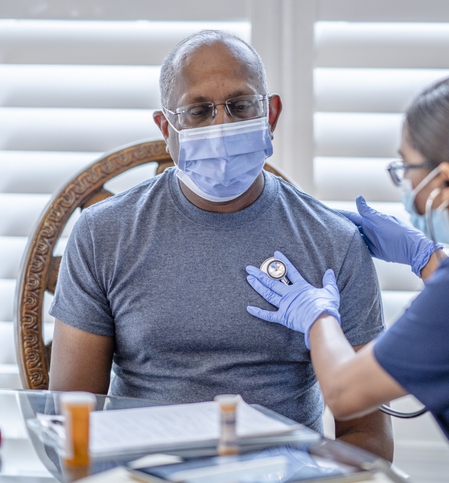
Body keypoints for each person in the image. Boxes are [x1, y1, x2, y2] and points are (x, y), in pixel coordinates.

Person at [48, 30, 393, 460]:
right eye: (198, 111)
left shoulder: (333, 243)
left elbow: (370, 442)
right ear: (165, 127)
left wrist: (289, 472)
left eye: (240, 105)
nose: (222, 126)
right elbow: (71, 424)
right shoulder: (103, 234)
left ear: (270, 114)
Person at [245, 73, 449, 481]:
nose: (405, 185)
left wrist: (317, 315)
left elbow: (343, 392)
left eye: (404, 168)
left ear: (446, 180)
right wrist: (427, 258)